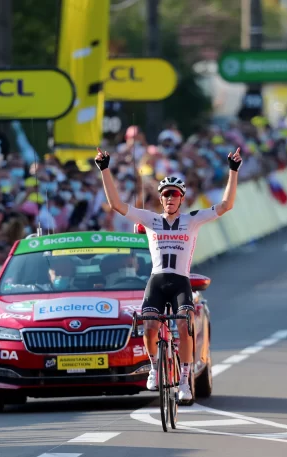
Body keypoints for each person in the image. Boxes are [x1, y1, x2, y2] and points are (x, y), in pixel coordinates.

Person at [94, 145, 242, 402]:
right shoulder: (149, 220)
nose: (170, 198)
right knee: (149, 325)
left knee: (184, 325)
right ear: (160, 198)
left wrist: (233, 170)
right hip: (157, 281)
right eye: (166, 195)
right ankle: (153, 369)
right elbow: (116, 204)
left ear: (181, 198)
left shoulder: (192, 220)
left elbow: (227, 205)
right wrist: (104, 169)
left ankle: (184, 380)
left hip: (181, 281)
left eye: (175, 194)